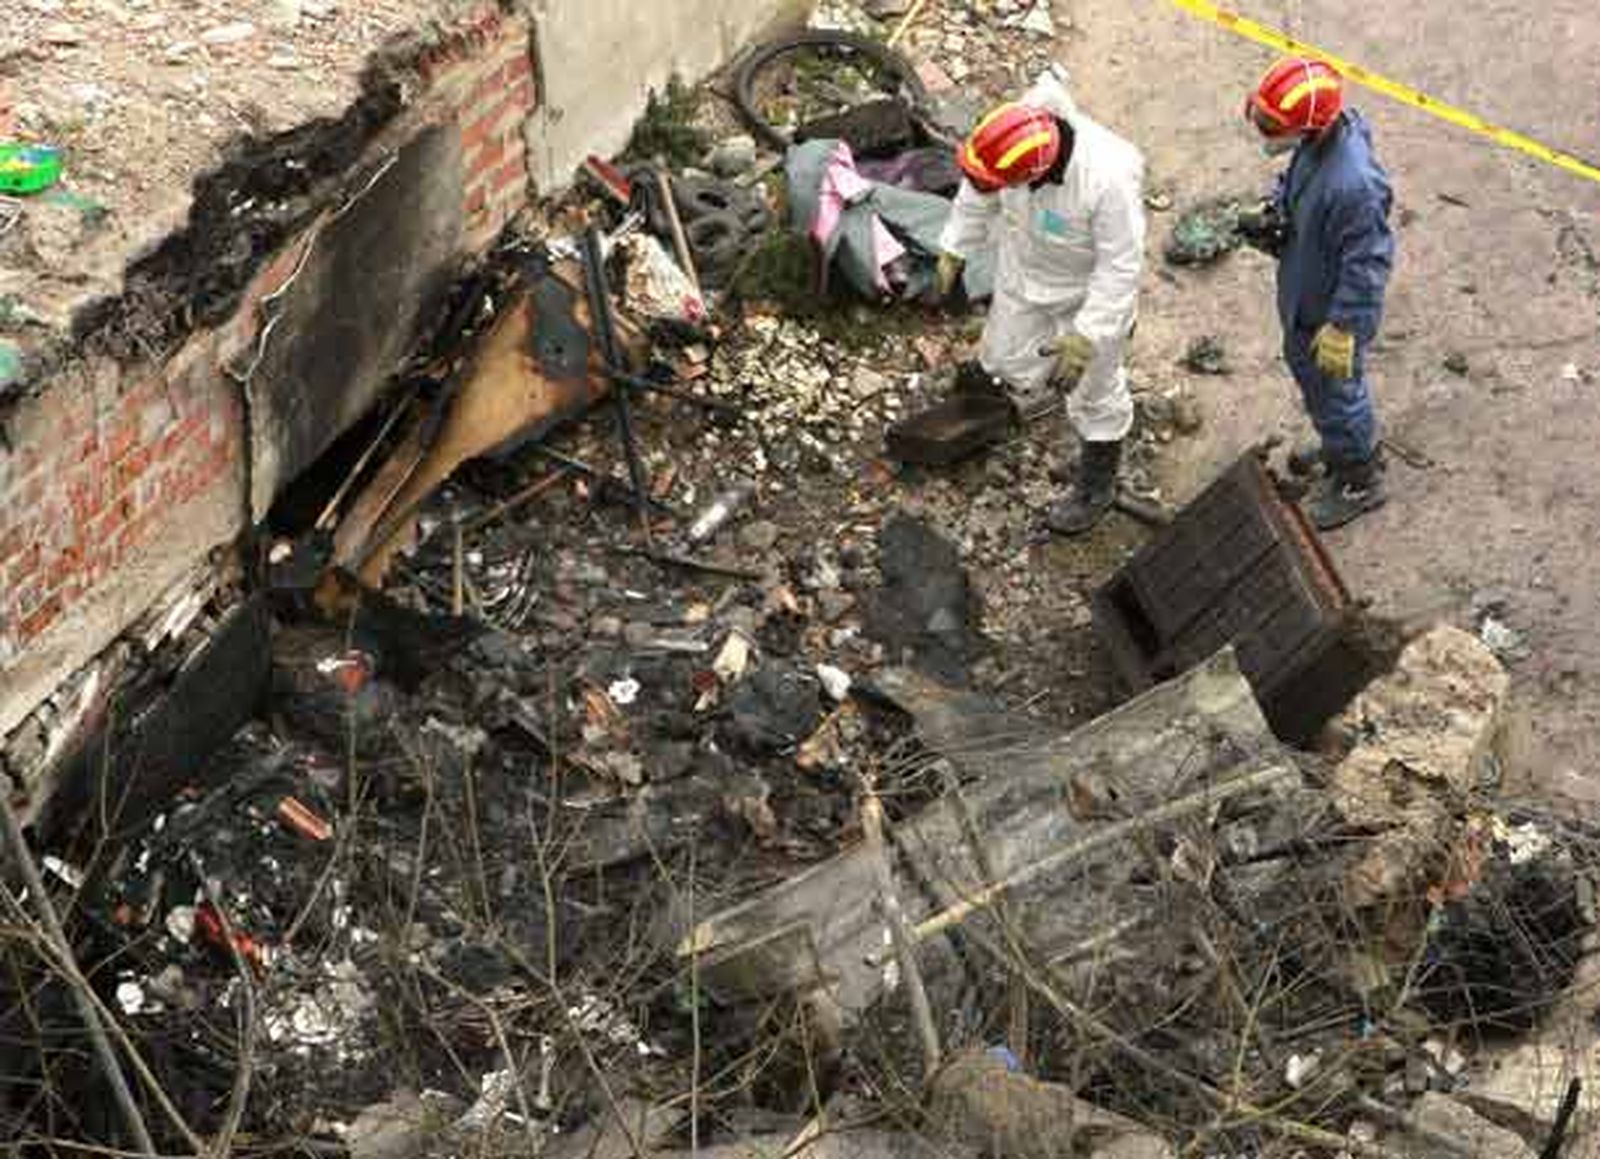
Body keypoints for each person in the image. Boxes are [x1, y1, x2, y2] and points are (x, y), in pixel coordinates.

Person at [935, 71, 1146, 536]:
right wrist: (955, 245)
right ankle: (1028, 401)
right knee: (1004, 358)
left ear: (1033, 174)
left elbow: (1120, 269)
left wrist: (1087, 336)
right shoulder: (1015, 133)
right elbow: (978, 190)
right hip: (1024, 274)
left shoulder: (1107, 181)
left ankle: (1097, 481)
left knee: (1094, 392)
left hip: (1085, 297)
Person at [1243, 56, 1396, 529]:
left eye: (1273, 125)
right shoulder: (1321, 138)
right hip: (1309, 290)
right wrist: (1276, 209)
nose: (1266, 132)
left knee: (1334, 390)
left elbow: (1368, 263)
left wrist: (1343, 326)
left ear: (1309, 125)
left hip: (1330, 314)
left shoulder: (1354, 187)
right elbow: (1295, 179)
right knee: (1321, 385)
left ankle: (1358, 477)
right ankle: (1343, 444)